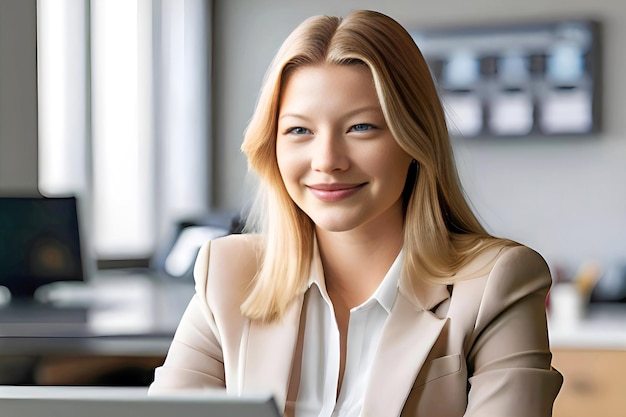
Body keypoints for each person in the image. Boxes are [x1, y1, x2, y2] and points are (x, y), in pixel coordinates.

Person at [149, 9, 563, 416]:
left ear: (414, 140)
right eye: (299, 130)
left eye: (361, 127)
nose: (327, 160)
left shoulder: (496, 283)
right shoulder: (227, 273)